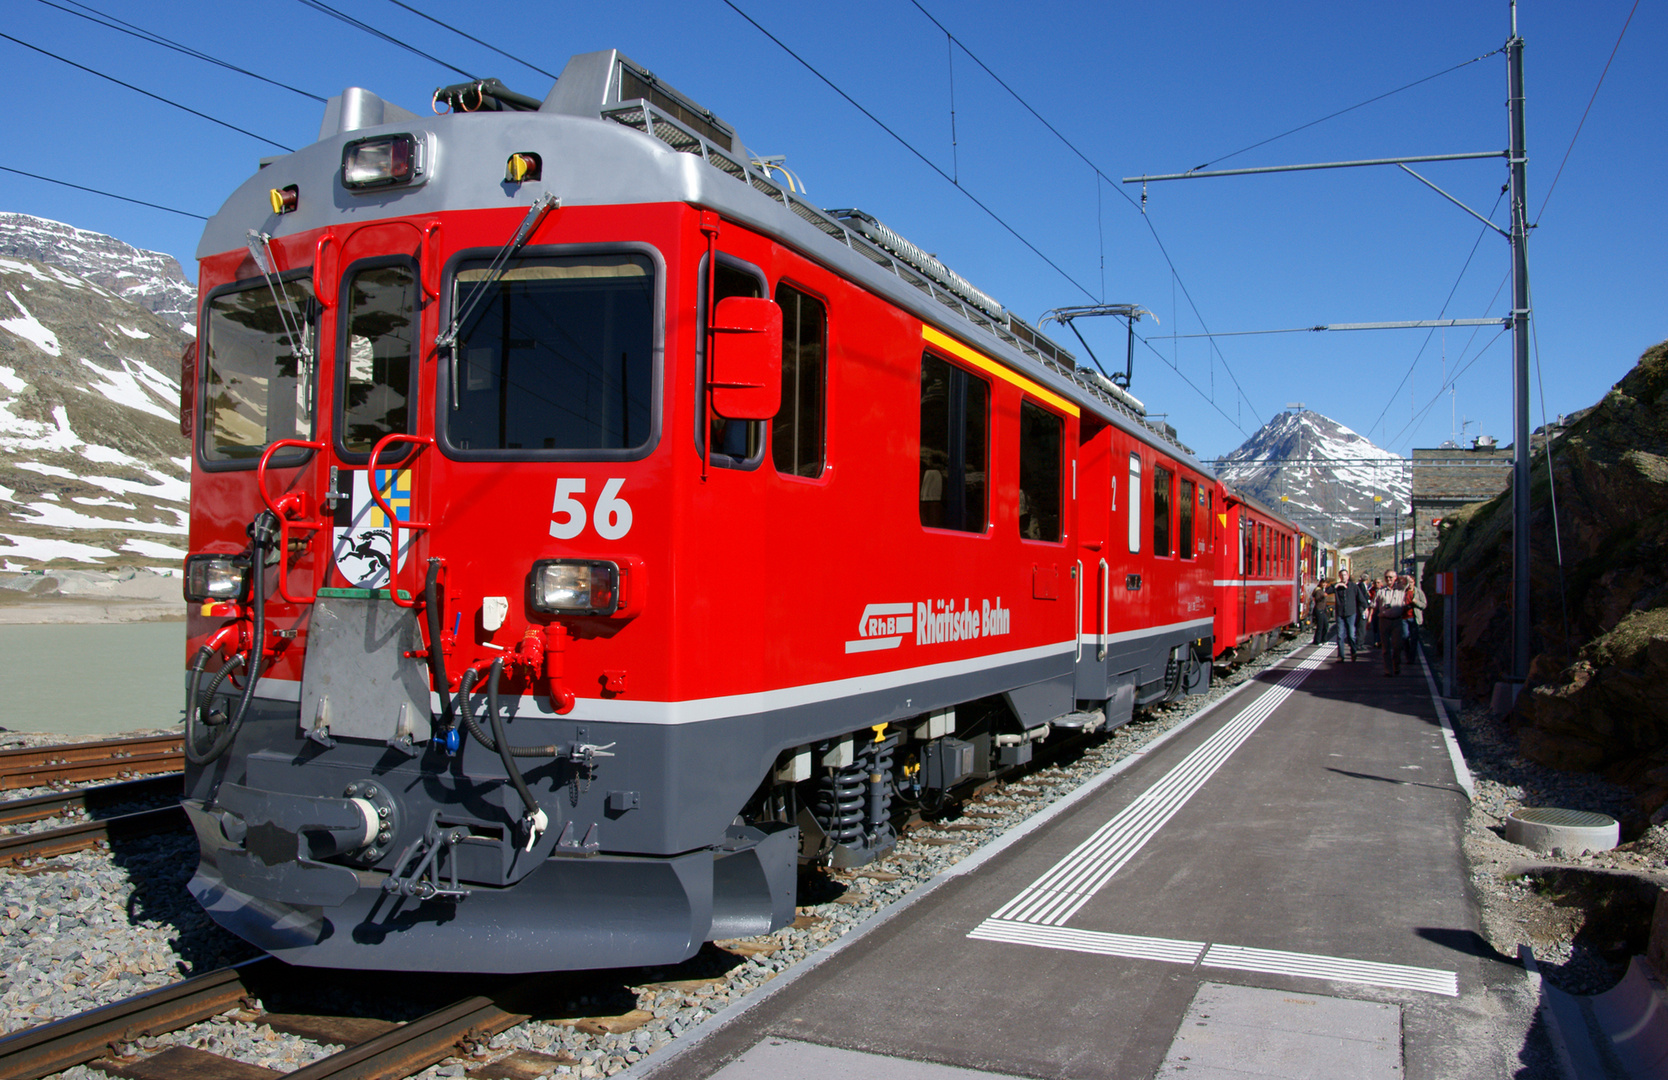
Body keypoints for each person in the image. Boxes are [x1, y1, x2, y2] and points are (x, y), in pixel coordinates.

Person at [1372, 569, 1406, 675]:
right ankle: (1388, 670)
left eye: (1391, 577)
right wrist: (1369, 621)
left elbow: (1408, 580)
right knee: (1385, 648)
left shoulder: (1401, 589)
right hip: (1384, 620)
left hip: (1397, 621)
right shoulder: (1381, 591)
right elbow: (1373, 607)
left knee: (1397, 646)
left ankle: (1396, 665)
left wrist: (1400, 578)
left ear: (1395, 578)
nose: (1388, 579)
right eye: (1386, 577)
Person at [1332, 569, 1367, 660]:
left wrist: (1365, 608)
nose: (1343, 577)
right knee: (1340, 635)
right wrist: (1337, 585)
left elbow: (1361, 598)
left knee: (1351, 634)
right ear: (1339, 576)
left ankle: (1353, 652)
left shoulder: (1353, 586)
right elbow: (1327, 591)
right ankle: (1340, 655)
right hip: (1340, 614)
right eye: (1341, 575)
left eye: (1345, 575)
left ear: (1348, 576)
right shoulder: (1337, 587)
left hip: (1351, 613)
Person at [1403, 573, 1428, 664]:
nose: (1409, 584)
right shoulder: (1403, 592)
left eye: (1411, 582)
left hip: (1414, 618)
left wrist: (1416, 602)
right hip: (1404, 618)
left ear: (1414, 582)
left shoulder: (1418, 592)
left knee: (1414, 639)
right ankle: (1407, 655)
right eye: (1408, 582)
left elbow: (1424, 605)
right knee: (1405, 637)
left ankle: (1411, 658)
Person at [1309, 578, 1332, 645]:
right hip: (1319, 609)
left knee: (1325, 624)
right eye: (1323, 583)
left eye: (1326, 583)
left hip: (1323, 609)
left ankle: (1323, 639)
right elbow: (1317, 598)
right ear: (1321, 583)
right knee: (1320, 625)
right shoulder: (1318, 590)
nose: (1325, 584)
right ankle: (1317, 640)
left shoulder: (1322, 590)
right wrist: (1323, 596)